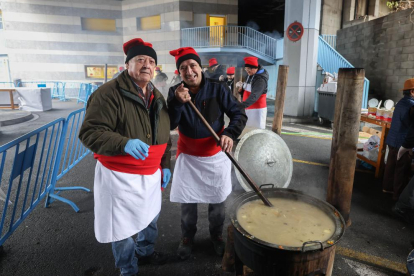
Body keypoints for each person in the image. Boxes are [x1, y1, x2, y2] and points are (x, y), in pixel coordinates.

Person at [79, 38, 172, 276]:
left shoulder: (156, 95)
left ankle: (146, 252)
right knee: (121, 227)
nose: (147, 65)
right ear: (127, 64)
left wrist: (165, 164)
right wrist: (124, 143)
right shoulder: (107, 94)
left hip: (150, 173)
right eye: (140, 59)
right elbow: (89, 133)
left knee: (150, 216)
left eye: (151, 61)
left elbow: (164, 134)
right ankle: (128, 268)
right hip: (118, 175)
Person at [167, 47, 247, 260]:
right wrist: (176, 102)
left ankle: (216, 236)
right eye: (183, 68)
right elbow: (171, 123)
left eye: (192, 65)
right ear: (179, 72)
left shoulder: (218, 88)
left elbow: (238, 113)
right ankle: (187, 237)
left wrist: (230, 133)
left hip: (214, 155)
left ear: (200, 67)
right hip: (189, 156)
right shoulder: (175, 91)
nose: (189, 71)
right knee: (188, 201)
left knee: (217, 199)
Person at [383, 78, 414, 200]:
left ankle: (387, 189)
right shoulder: (412, 105)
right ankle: (398, 197)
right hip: (402, 142)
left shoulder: (401, 102)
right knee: (401, 169)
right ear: (412, 91)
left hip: (392, 140)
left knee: (390, 166)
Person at [236, 56, 269, 129]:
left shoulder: (260, 80)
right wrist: (241, 90)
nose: (247, 71)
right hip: (248, 107)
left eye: (249, 69)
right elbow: (248, 90)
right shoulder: (251, 75)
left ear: (255, 68)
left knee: (256, 130)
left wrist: (242, 105)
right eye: (246, 69)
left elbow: (255, 95)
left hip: (257, 109)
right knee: (247, 128)